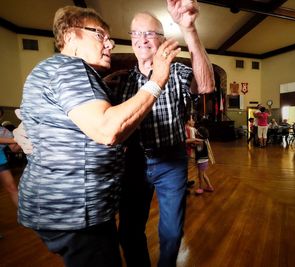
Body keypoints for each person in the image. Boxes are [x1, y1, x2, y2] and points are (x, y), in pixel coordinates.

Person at [17, 6, 179, 267]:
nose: (110, 43)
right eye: (100, 35)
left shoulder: (57, 69)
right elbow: (107, 130)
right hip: (74, 211)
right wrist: (159, 77)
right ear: (70, 36)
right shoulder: (70, 69)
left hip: (67, 208)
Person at [115, 1, 215, 266]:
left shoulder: (177, 71)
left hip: (171, 161)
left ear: (161, 39)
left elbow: (205, 85)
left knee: (171, 233)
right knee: (128, 231)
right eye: (136, 33)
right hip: (134, 162)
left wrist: (189, 29)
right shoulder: (123, 81)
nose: (142, 39)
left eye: (149, 33)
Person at [0, 108, 19, 206]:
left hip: (1, 160)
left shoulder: (4, 131)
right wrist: (16, 140)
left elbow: (14, 149)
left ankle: (23, 215)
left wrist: (23, 139)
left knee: (12, 188)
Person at [193, 126, 214, 194]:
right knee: (204, 174)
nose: (195, 133)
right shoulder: (204, 141)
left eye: (197, 132)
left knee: (200, 175)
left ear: (199, 135)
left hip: (202, 161)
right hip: (203, 161)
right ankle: (209, 187)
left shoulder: (201, 142)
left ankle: (201, 188)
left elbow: (191, 142)